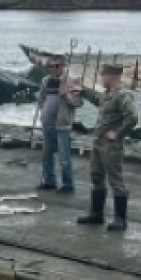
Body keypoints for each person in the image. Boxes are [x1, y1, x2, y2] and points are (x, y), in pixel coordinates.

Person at [77, 63, 138, 231]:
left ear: (110, 76)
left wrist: (118, 133)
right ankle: (96, 214)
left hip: (111, 145)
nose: (102, 79)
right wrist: (83, 91)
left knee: (115, 180)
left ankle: (120, 219)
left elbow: (132, 118)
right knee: (96, 176)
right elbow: (98, 99)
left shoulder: (123, 95)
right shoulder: (108, 95)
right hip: (98, 142)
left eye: (103, 76)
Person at [36, 54, 83, 193]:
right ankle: (49, 181)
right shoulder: (46, 80)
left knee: (64, 156)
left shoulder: (72, 81)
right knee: (46, 154)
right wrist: (42, 109)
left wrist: (67, 96)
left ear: (63, 66)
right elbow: (41, 97)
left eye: (57, 66)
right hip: (47, 123)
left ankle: (68, 184)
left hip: (62, 125)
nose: (53, 69)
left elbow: (78, 103)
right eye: (50, 66)